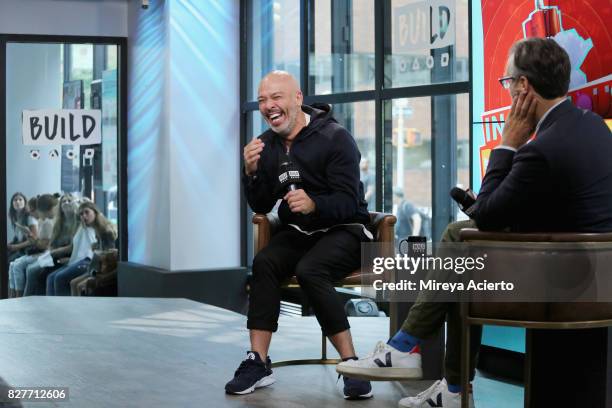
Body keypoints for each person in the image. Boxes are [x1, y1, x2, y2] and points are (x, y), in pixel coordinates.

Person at [337, 37, 612, 408]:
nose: (507, 90)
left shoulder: (539, 149)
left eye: (507, 82)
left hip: (561, 285)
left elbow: (487, 212)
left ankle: (411, 352)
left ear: (523, 87)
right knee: (463, 258)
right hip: (596, 277)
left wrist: (508, 143)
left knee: (462, 241)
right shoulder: (591, 125)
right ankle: (448, 387)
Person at [225, 71, 373, 399]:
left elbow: (349, 202)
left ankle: (351, 362)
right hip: (298, 231)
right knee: (264, 263)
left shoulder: (336, 138)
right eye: (262, 100)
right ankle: (258, 361)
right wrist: (250, 173)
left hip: (345, 229)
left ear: (297, 98)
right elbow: (262, 203)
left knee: (311, 269)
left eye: (276, 97)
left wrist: (314, 203)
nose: (268, 105)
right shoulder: (266, 145)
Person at [46, 200, 116, 296]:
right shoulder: (89, 229)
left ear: (95, 212)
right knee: (54, 278)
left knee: (61, 278)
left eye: (87, 212)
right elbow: (75, 247)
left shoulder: (105, 231)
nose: (84, 216)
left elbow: (109, 256)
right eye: (81, 214)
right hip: (93, 263)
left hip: (96, 265)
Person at [23, 194, 79, 296]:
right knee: (34, 271)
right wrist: (52, 251)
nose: (66, 203)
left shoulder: (78, 223)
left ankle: (28, 300)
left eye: (69, 201)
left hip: (68, 257)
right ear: (60, 206)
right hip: (55, 256)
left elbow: (74, 247)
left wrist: (55, 252)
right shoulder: (58, 223)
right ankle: (29, 301)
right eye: (64, 201)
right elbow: (51, 243)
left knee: (37, 272)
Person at [8, 194, 59, 297]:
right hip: (42, 252)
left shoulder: (46, 223)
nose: (30, 212)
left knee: (22, 266)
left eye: (32, 209)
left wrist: (30, 235)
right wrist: (29, 236)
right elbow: (39, 242)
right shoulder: (42, 221)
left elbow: (43, 246)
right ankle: (12, 297)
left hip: (44, 253)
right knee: (13, 264)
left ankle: (22, 298)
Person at [7, 192, 38, 267]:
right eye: (15, 200)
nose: (18, 202)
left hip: (29, 250)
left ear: (25, 202)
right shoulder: (14, 218)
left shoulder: (30, 217)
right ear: (12, 204)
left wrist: (16, 247)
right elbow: (18, 238)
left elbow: (34, 240)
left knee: (9, 261)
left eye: (20, 199)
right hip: (20, 247)